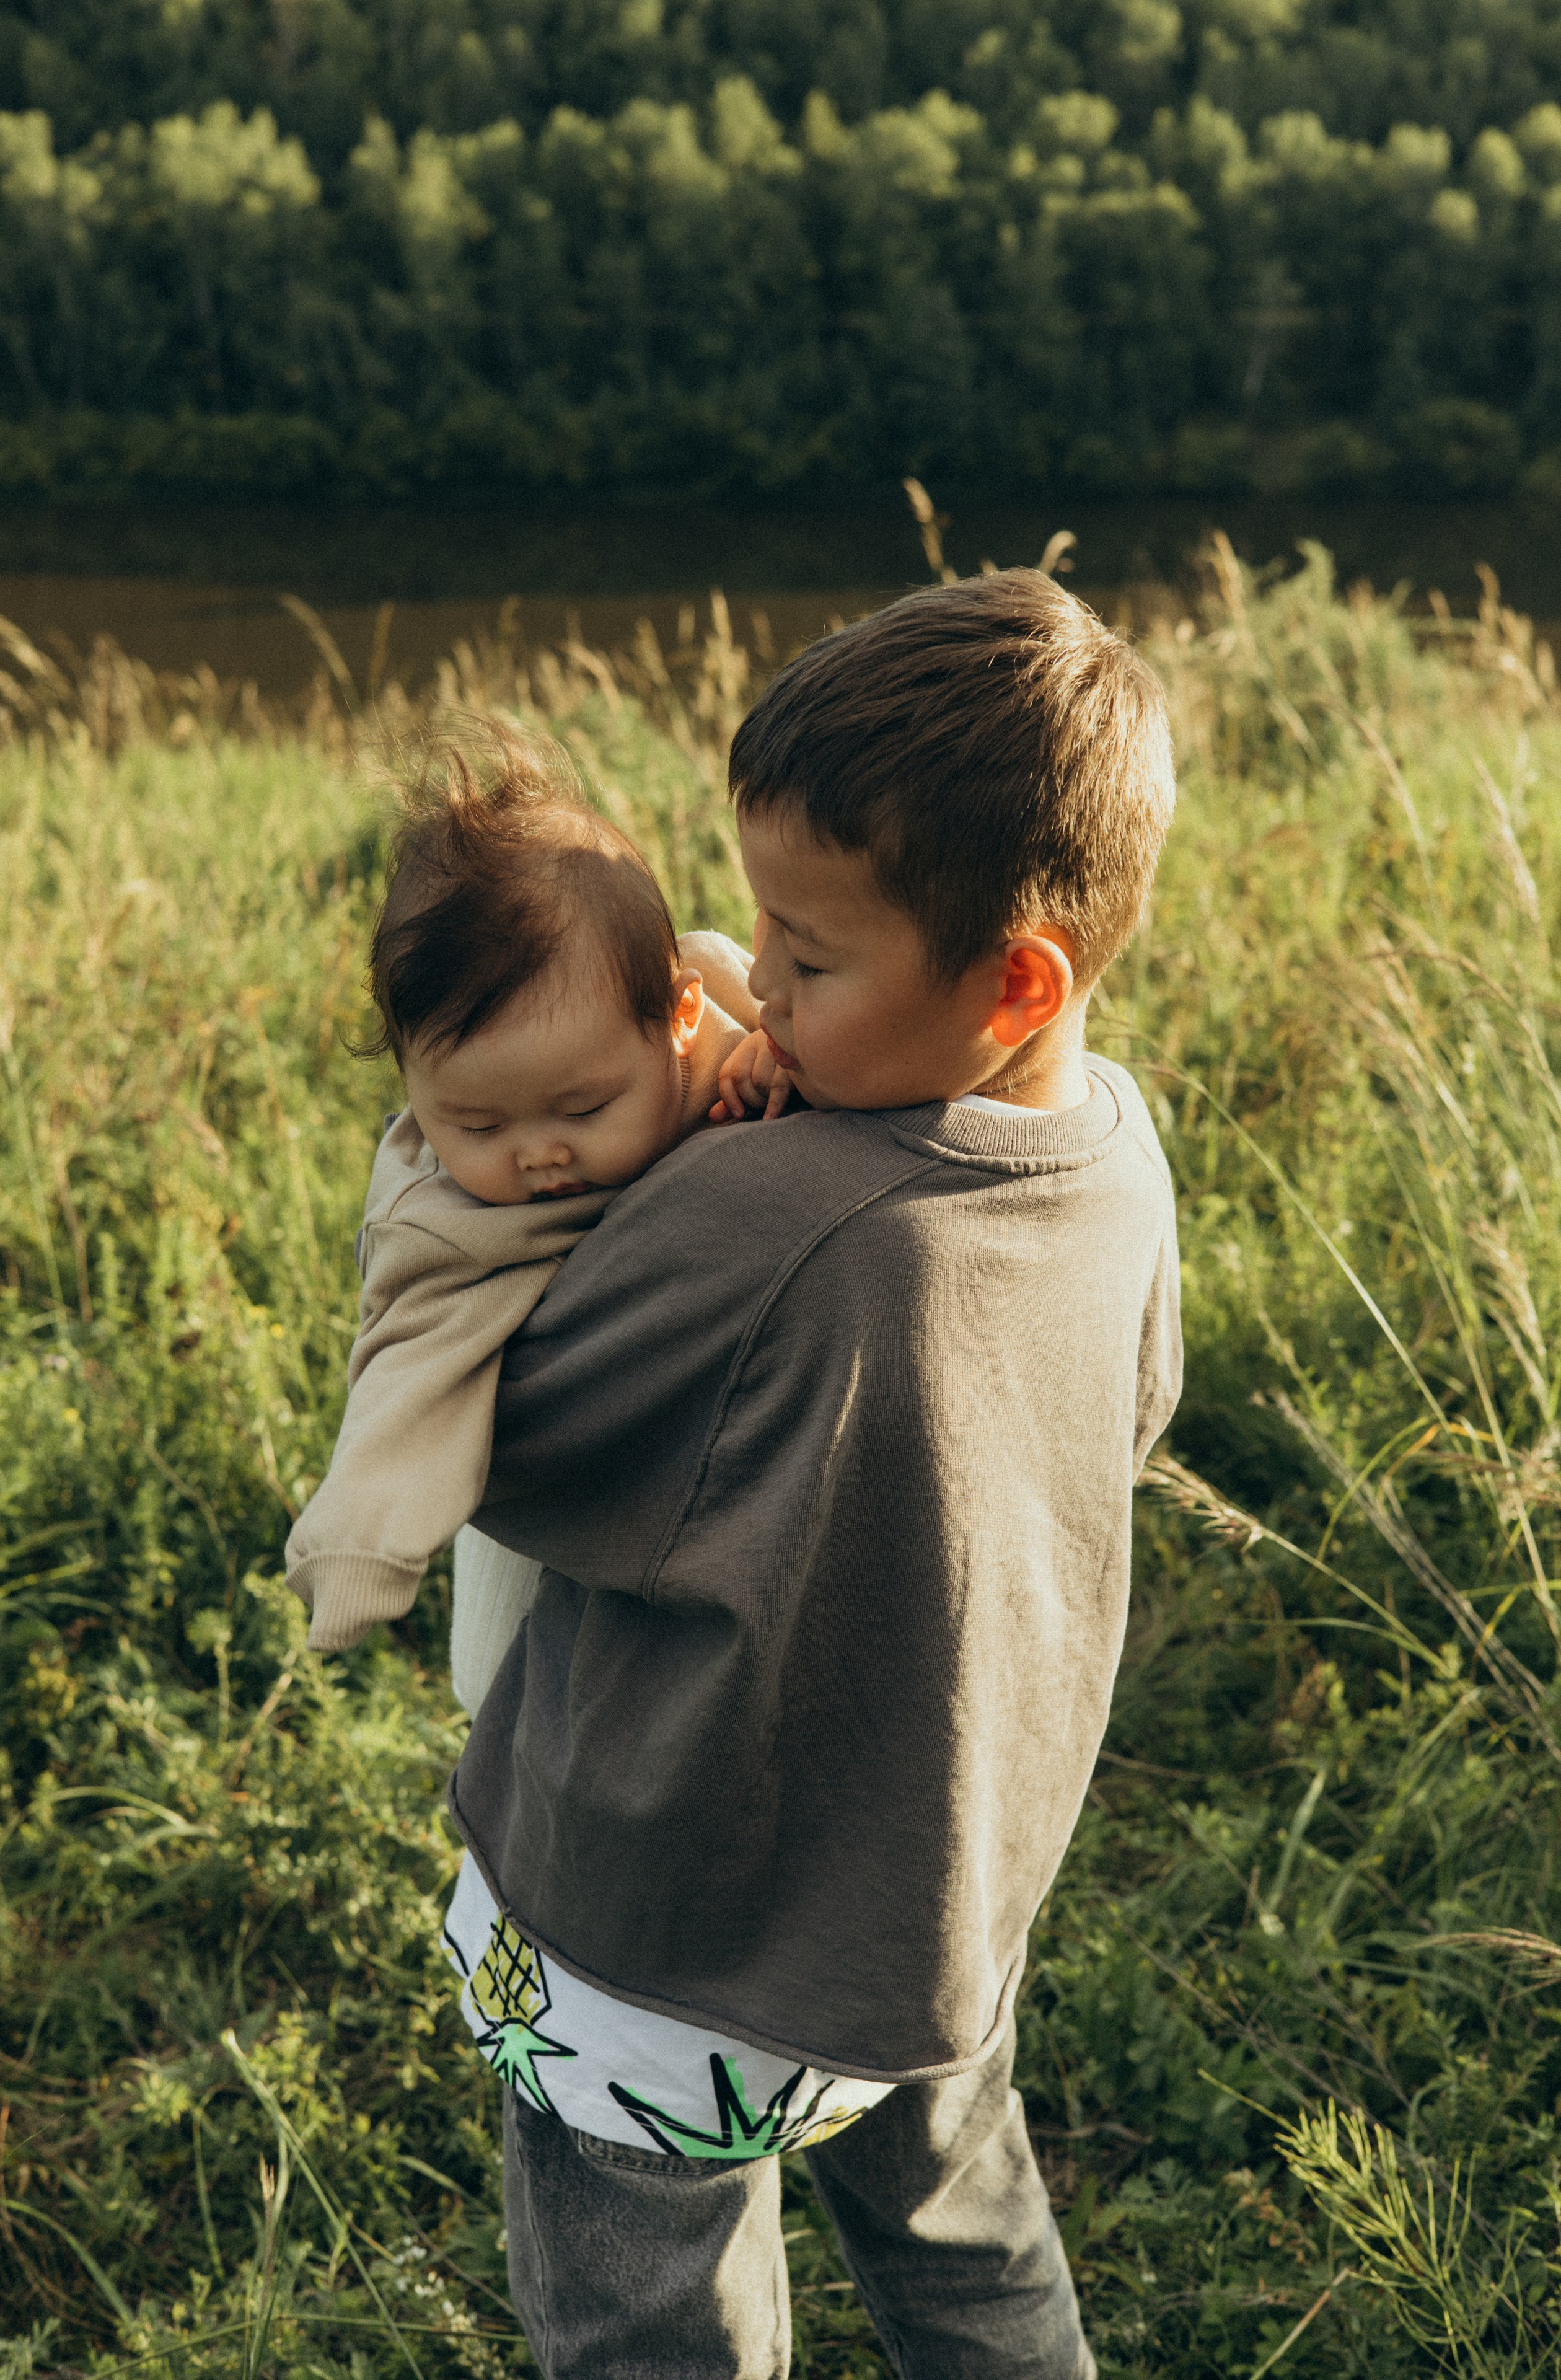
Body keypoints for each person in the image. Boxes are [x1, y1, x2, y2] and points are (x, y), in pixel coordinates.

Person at [446, 570, 1184, 2379]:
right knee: (966, 2240)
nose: (747, 977)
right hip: (933, 1909)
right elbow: (1132, 1413)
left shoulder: (768, 1210)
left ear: (1013, 979)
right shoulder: (1118, 1148)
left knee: (650, 2310)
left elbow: (515, 1449)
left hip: (664, 1943)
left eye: (807, 952)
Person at [283, 731, 759, 1698]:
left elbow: (810, 1032)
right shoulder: (447, 1218)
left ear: (675, 1017)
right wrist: (360, 1552)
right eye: (475, 1121)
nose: (539, 1153)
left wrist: (772, 1062)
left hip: (711, 1526)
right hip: (532, 1544)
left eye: (584, 1110)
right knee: (516, 1680)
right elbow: (407, 1371)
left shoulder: (727, 1020)